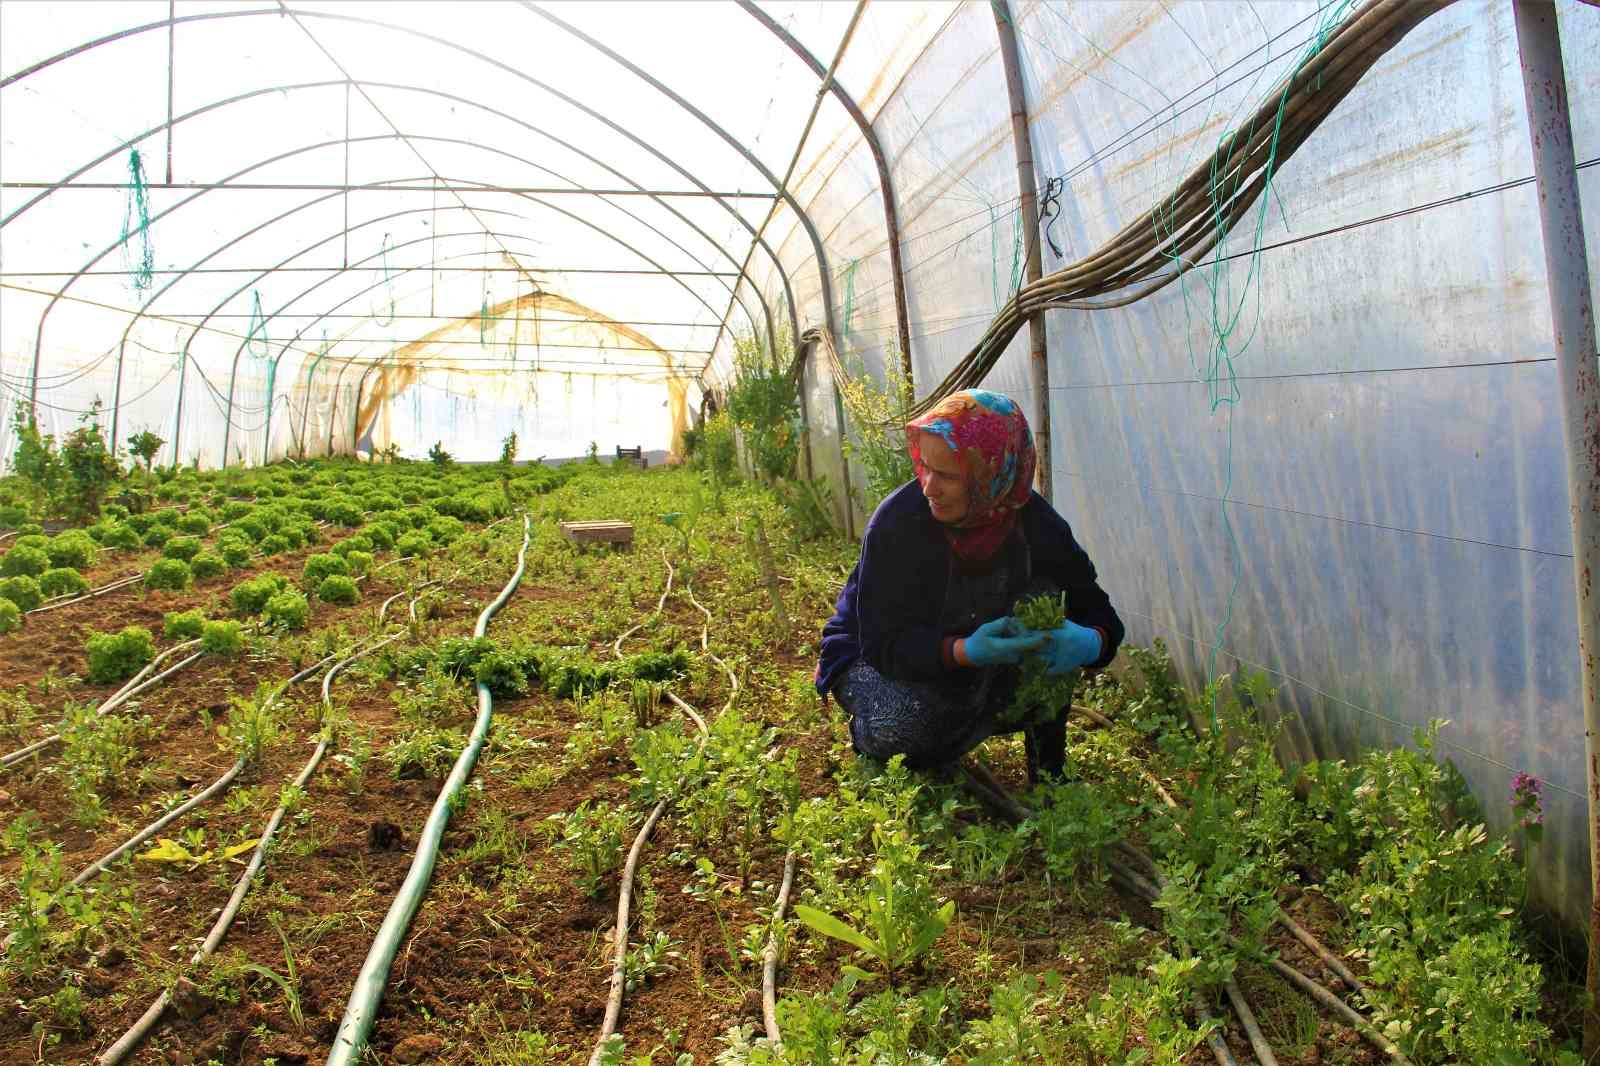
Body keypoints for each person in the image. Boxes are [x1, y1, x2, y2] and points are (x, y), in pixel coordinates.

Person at [816, 389, 1123, 782]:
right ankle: (869, 733)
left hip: (971, 658)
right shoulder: (897, 524)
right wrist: (964, 651)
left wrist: (1091, 642)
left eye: (946, 475)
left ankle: (1048, 773)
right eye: (924, 467)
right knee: (908, 724)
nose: (928, 487)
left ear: (991, 475)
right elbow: (881, 645)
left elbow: (1101, 614)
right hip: (871, 657)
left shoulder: (1034, 521)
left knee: (1046, 603)